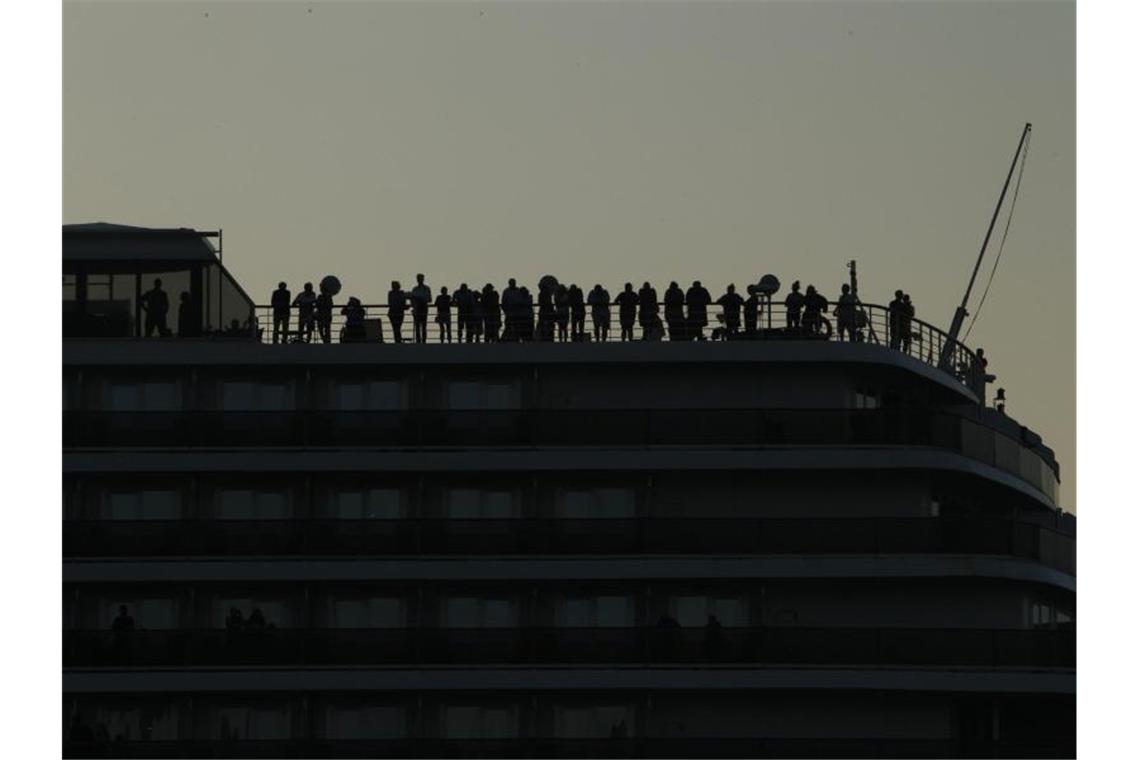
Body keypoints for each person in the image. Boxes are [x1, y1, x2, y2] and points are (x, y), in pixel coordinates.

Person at [410, 273, 431, 344]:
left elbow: (430, 299)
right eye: (418, 278)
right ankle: (418, 341)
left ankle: (424, 341)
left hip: (424, 307)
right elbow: (412, 299)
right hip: (417, 308)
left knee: (424, 326)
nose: (419, 280)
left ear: (423, 279)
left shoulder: (427, 288)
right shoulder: (414, 289)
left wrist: (422, 299)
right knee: (417, 326)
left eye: (420, 278)